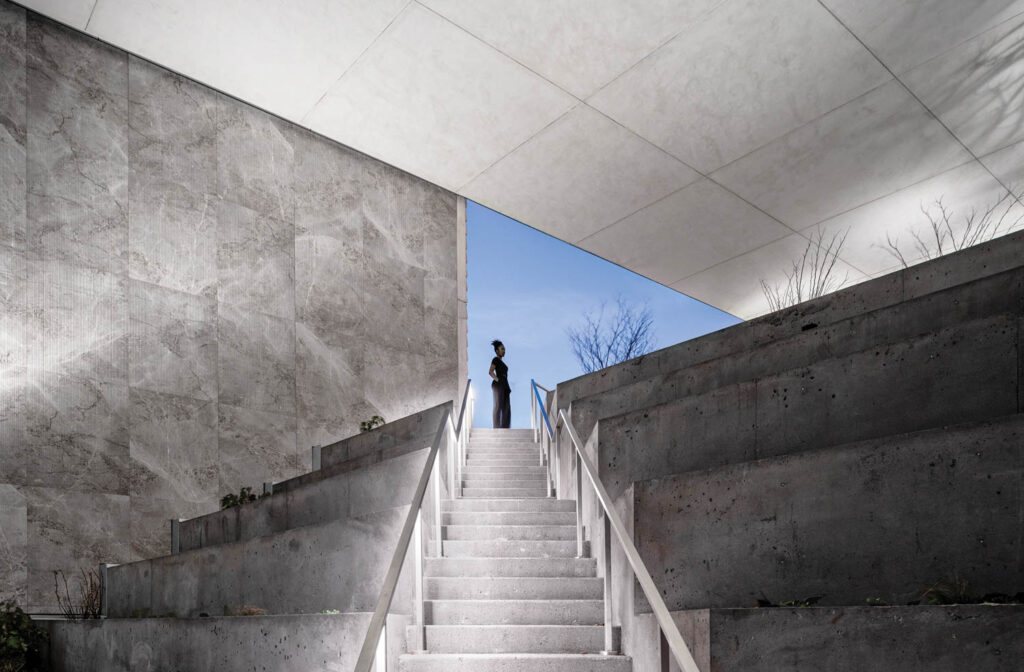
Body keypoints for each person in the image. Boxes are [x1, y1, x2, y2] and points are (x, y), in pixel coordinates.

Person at [488, 339, 511, 428]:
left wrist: (504, 383)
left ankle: (505, 427)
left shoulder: (503, 363)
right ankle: (496, 427)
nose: (504, 351)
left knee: (506, 407)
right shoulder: (495, 359)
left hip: (505, 385)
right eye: (502, 349)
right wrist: (498, 380)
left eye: (504, 349)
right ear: (497, 351)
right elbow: (490, 372)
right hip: (499, 384)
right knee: (498, 405)